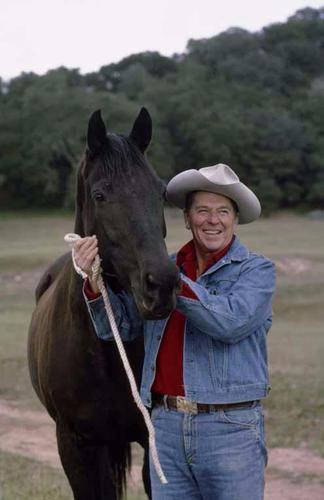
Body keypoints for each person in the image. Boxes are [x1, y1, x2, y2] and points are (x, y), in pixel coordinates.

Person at [74, 163, 275, 500]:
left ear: (235, 219)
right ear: (186, 218)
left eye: (223, 211)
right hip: (165, 428)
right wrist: (95, 285)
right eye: (202, 211)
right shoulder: (163, 269)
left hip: (230, 430)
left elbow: (231, 322)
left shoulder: (257, 272)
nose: (213, 220)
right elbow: (119, 329)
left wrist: (173, 282)